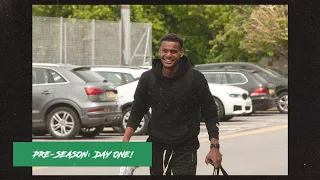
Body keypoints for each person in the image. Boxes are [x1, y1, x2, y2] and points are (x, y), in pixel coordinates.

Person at [122, 33, 222, 175]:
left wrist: (214, 147)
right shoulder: (148, 78)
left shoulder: (195, 79)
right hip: (157, 147)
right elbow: (137, 109)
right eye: (165, 50)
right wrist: (126, 139)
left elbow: (210, 113)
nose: (168, 55)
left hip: (186, 148)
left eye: (173, 51)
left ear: (181, 53)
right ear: (159, 52)